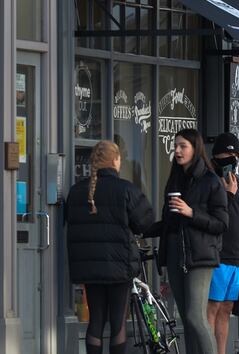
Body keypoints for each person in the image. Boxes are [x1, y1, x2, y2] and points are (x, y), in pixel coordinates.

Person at [65, 140, 155, 354]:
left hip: (89, 268)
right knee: (118, 323)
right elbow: (145, 221)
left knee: (95, 321)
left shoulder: (77, 191)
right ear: (115, 160)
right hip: (119, 266)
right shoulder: (125, 189)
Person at [146, 128, 229, 354]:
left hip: (200, 256)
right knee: (186, 319)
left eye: (183, 146)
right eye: (176, 146)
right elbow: (168, 222)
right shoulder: (174, 180)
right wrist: (143, 230)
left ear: (195, 148)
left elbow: (222, 223)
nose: (178, 150)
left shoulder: (211, 181)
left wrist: (192, 213)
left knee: (195, 316)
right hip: (175, 254)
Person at [207, 133, 239, 354]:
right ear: (217, 156)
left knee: (227, 308)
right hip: (218, 253)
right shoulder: (209, 180)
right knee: (212, 307)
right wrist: (229, 195)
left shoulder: (236, 181)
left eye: (236, 155)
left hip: (235, 256)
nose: (233, 159)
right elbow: (215, 215)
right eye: (229, 154)